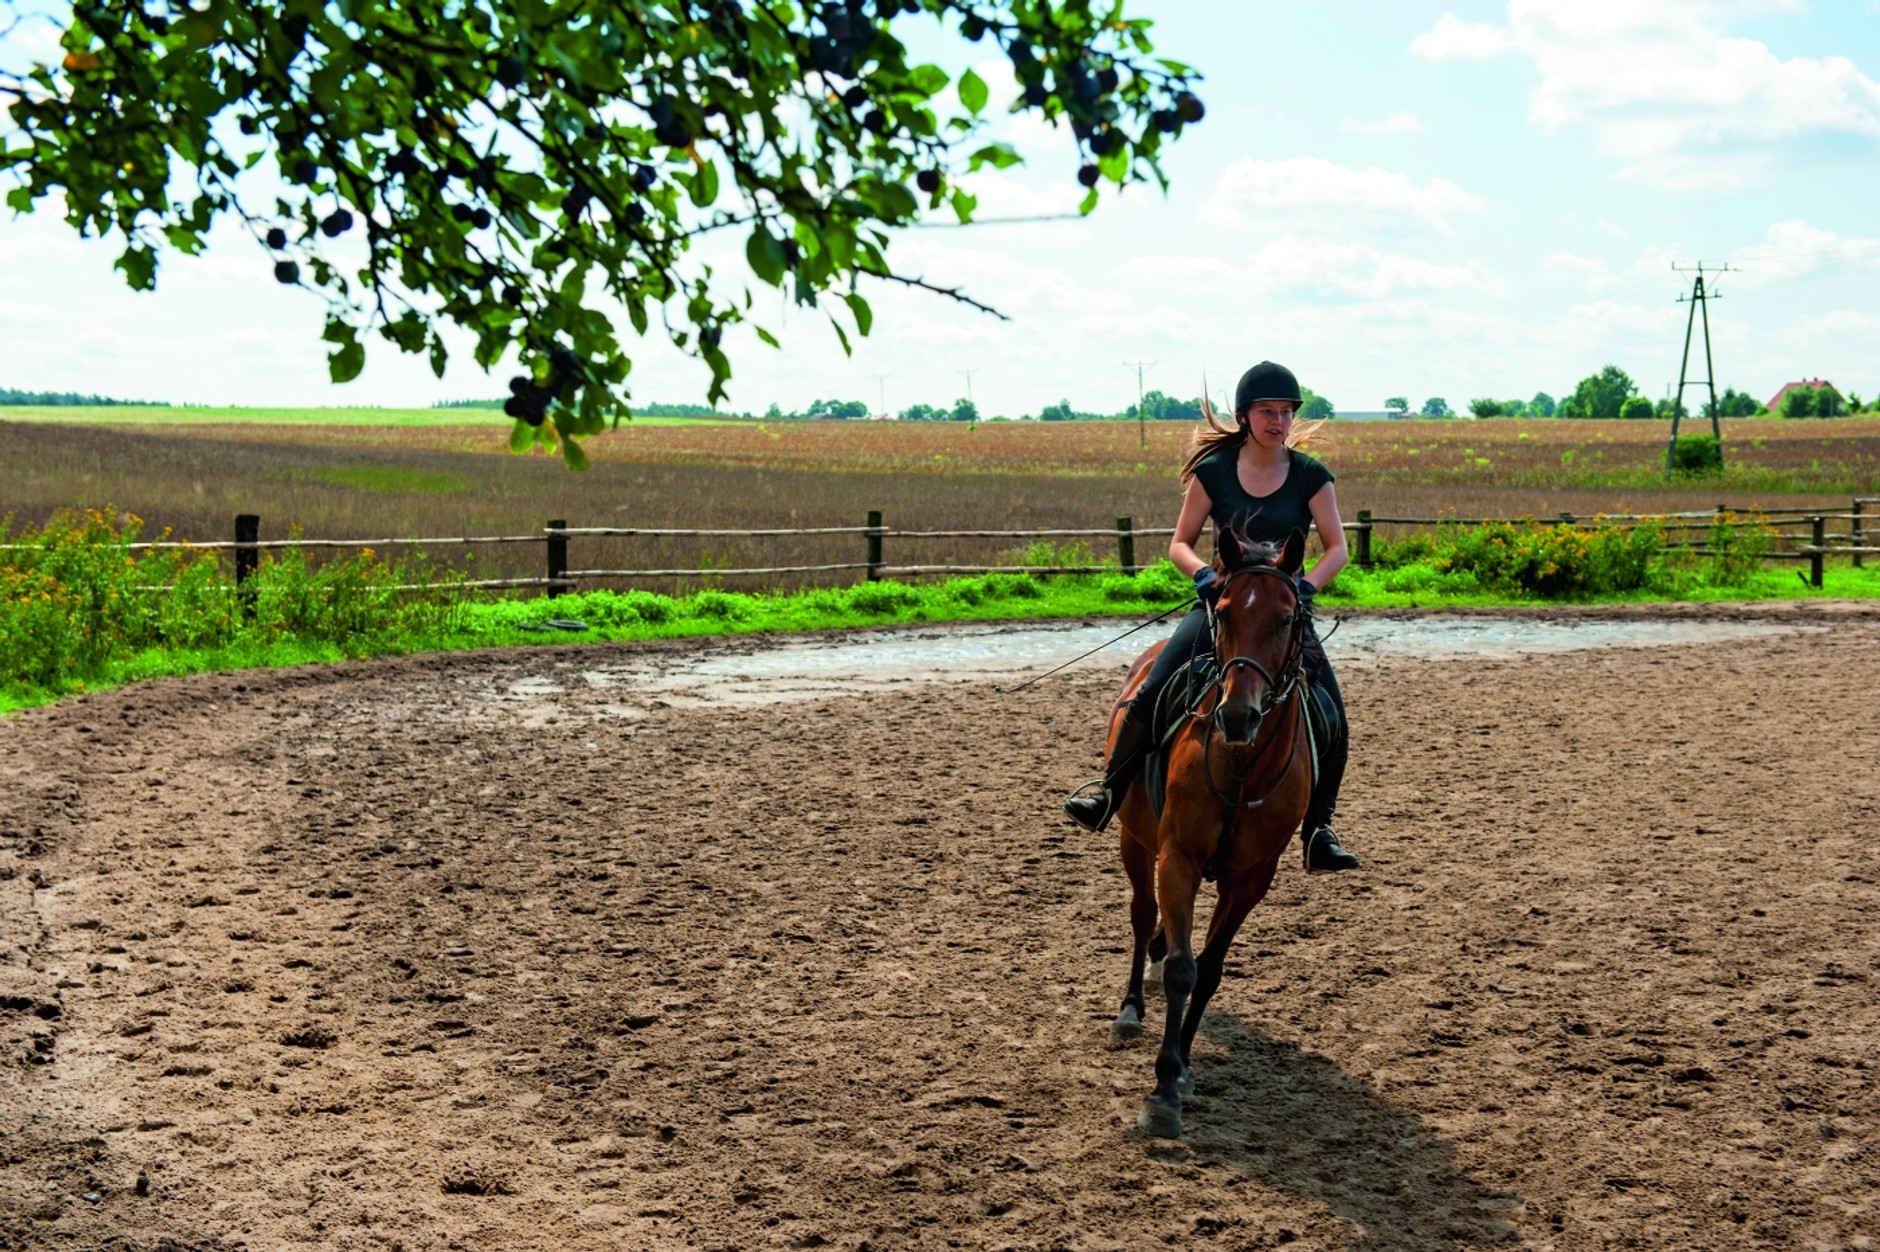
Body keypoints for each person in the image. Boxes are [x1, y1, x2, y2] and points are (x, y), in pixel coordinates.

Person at [1063, 360, 1360, 872]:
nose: (1280, 421)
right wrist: (1202, 574)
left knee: (1332, 716)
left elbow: (1338, 549)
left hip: (1283, 616)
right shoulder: (1214, 473)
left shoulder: (1311, 475)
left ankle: (1318, 830)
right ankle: (1107, 793)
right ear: (1245, 416)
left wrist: (1306, 587)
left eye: (1287, 412)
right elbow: (1179, 543)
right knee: (1151, 692)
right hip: (1223, 608)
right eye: (1269, 411)